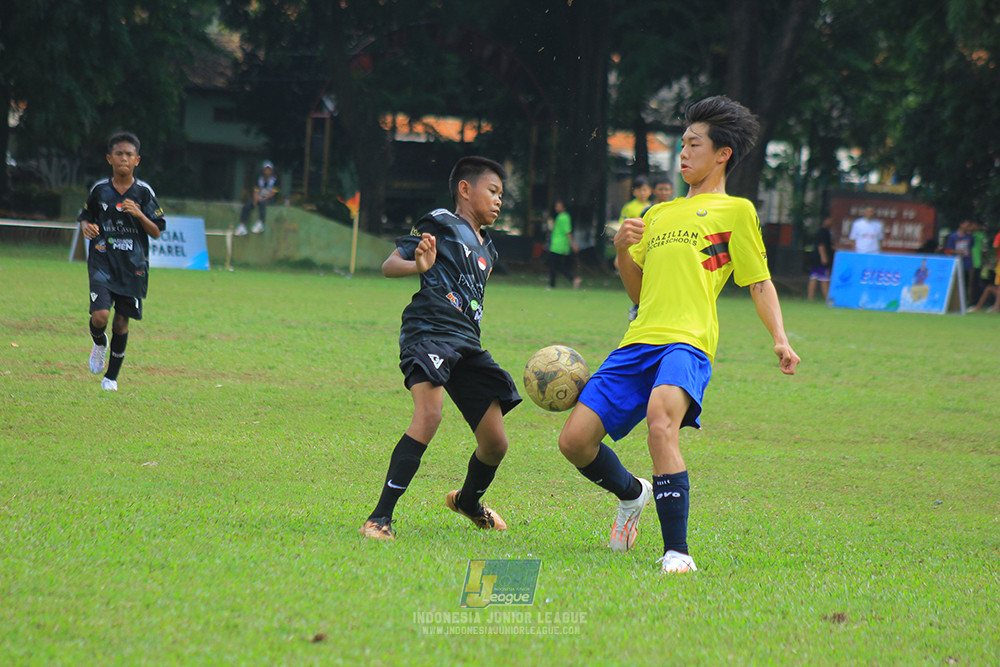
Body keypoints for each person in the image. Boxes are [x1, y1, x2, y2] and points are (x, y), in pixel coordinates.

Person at [557, 96, 800, 574]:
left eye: (694, 144)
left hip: (687, 341)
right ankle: (632, 495)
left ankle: (677, 552)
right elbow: (638, 291)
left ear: (722, 153)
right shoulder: (657, 215)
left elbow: (759, 280)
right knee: (574, 442)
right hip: (637, 340)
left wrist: (780, 337)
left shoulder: (735, 211)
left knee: (660, 422)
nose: (683, 153)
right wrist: (624, 252)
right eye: (682, 144)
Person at [360, 156, 521, 540]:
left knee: (496, 442)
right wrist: (418, 265)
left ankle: (467, 501)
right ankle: (379, 518)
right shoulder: (440, 222)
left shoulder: (490, 249)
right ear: (465, 190)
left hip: (466, 343)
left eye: (502, 195)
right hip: (428, 332)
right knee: (429, 415)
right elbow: (389, 265)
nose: (499, 201)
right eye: (493, 191)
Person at [79, 132, 166, 392]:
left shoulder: (144, 192)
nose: (124, 158)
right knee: (101, 316)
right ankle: (98, 343)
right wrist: (86, 227)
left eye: (129, 154)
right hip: (102, 261)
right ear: (110, 158)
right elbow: (86, 215)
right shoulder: (99, 190)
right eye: (119, 154)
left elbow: (157, 230)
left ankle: (111, 378)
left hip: (133, 267)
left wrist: (139, 214)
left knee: (120, 322)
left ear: (137, 160)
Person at [619, 176, 651, 320]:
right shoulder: (630, 207)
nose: (643, 193)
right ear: (635, 192)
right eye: (640, 190)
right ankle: (635, 308)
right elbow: (624, 226)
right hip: (634, 248)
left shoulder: (652, 207)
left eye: (646, 190)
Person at [235, 161, 278, 236]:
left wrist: (264, 199)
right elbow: (256, 190)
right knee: (247, 205)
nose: (267, 171)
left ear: (271, 171)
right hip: (259, 196)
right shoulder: (259, 178)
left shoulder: (275, 179)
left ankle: (260, 223)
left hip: (269, 198)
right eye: (266, 169)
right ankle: (242, 226)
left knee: (263, 204)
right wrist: (255, 199)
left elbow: (273, 193)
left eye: (269, 170)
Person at [548, 199, 581, 290]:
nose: (556, 207)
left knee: (554, 265)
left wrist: (573, 245)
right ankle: (573, 279)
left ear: (563, 207)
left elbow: (568, 232)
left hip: (559, 245)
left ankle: (552, 284)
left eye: (558, 205)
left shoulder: (564, 217)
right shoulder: (560, 216)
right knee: (559, 266)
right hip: (556, 244)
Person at [944, 220, 975, 298]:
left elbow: (970, 249)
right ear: (961, 224)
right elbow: (948, 250)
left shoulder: (969, 237)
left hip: (966, 263)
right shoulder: (953, 236)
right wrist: (957, 251)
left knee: (966, 283)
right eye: (966, 225)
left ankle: (965, 300)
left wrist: (971, 263)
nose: (968, 227)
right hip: (956, 263)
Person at [807, 217, 834, 302]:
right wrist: (824, 257)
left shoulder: (821, 231)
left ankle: (810, 298)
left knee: (814, 277)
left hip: (815, 258)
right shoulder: (824, 232)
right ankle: (827, 298)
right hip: (820, 259)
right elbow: (821, 245)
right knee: (824, 278)